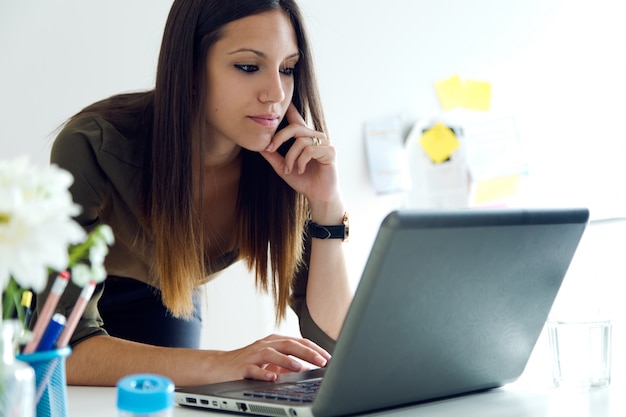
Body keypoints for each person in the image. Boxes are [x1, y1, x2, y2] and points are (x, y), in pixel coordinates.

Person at [32, 0, 352, 387]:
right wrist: (225, 362)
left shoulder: (287, 162)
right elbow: (61, 353)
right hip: (71, 304)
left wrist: (326, 205)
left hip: (170, 297)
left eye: (287, 69)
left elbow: (333, 343)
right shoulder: (94, 146)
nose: (276, 94)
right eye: (249, 67)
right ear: (191, 67)